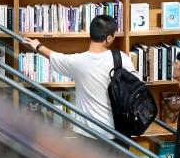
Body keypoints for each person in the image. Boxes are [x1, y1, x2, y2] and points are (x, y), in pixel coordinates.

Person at [24, 15, 137, 149]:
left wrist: (38, 46)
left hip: (87, 134)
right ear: (109, 38)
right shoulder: (121, 58)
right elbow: (136, 85)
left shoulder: (78, 62)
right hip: (118, 132)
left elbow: (55, 57)